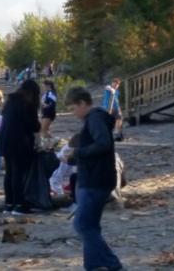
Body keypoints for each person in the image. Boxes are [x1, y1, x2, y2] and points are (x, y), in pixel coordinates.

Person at [65, 87, 123, 271]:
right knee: (90, 225)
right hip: (93, 177)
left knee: (82, 224)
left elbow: (103, 144)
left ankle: (113, 264)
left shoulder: (95, 118)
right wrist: (73, 156)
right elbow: (94, 148)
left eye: (73, 108)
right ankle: (93, 265)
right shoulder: (94, 119)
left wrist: (78, 152)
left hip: (96, 179)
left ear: (82, 103)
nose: (73, 113)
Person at [0, 79, 41, 215]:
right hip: (19, 143)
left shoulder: (10, 102)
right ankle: (19, 205)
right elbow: (34, 126)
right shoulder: (27, 104)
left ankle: (9, 204)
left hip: (4, 141)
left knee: (9, 173)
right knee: (18, 174)